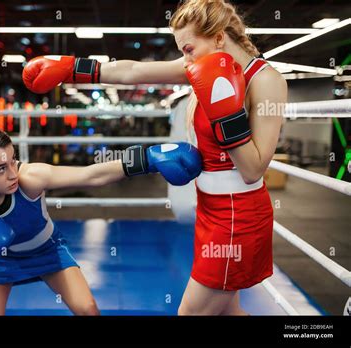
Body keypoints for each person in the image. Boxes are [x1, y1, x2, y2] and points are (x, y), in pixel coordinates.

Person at [23, 0, 287, 315]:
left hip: (238, 217)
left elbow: (254, 169)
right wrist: (70, 68)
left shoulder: (265, 81)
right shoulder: (199, 67)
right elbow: (132, 71)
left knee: (191, 313)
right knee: (228, 311)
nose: (186, 59)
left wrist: (226, 116)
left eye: (189, 49)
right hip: (211, 208)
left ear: (219, 38)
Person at [0, 123, 201, 315]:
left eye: (14, 161)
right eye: (0, 169)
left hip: (47, 251)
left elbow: (90, 176)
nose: (12, 173)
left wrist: (147, 159)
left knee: (88, 310)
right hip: (1, 262)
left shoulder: (31, 178)